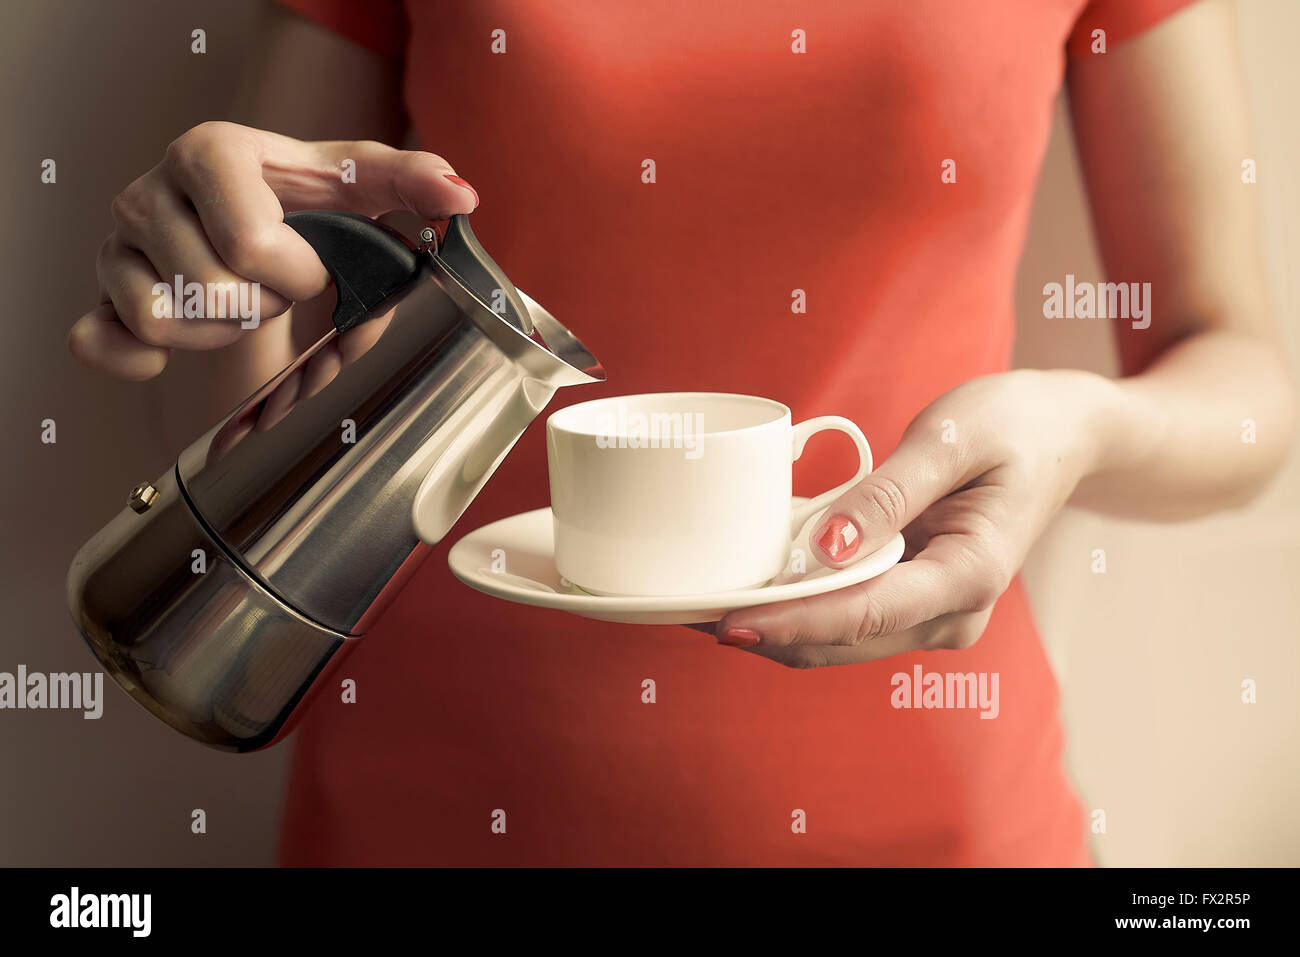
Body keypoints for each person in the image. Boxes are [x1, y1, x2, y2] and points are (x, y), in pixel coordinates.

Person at [67, 0, 1293, 865]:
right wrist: (221, 278)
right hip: (442, 810)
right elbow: (238, 395)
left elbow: (1244, 380)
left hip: (935, 820)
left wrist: (1069, 419)